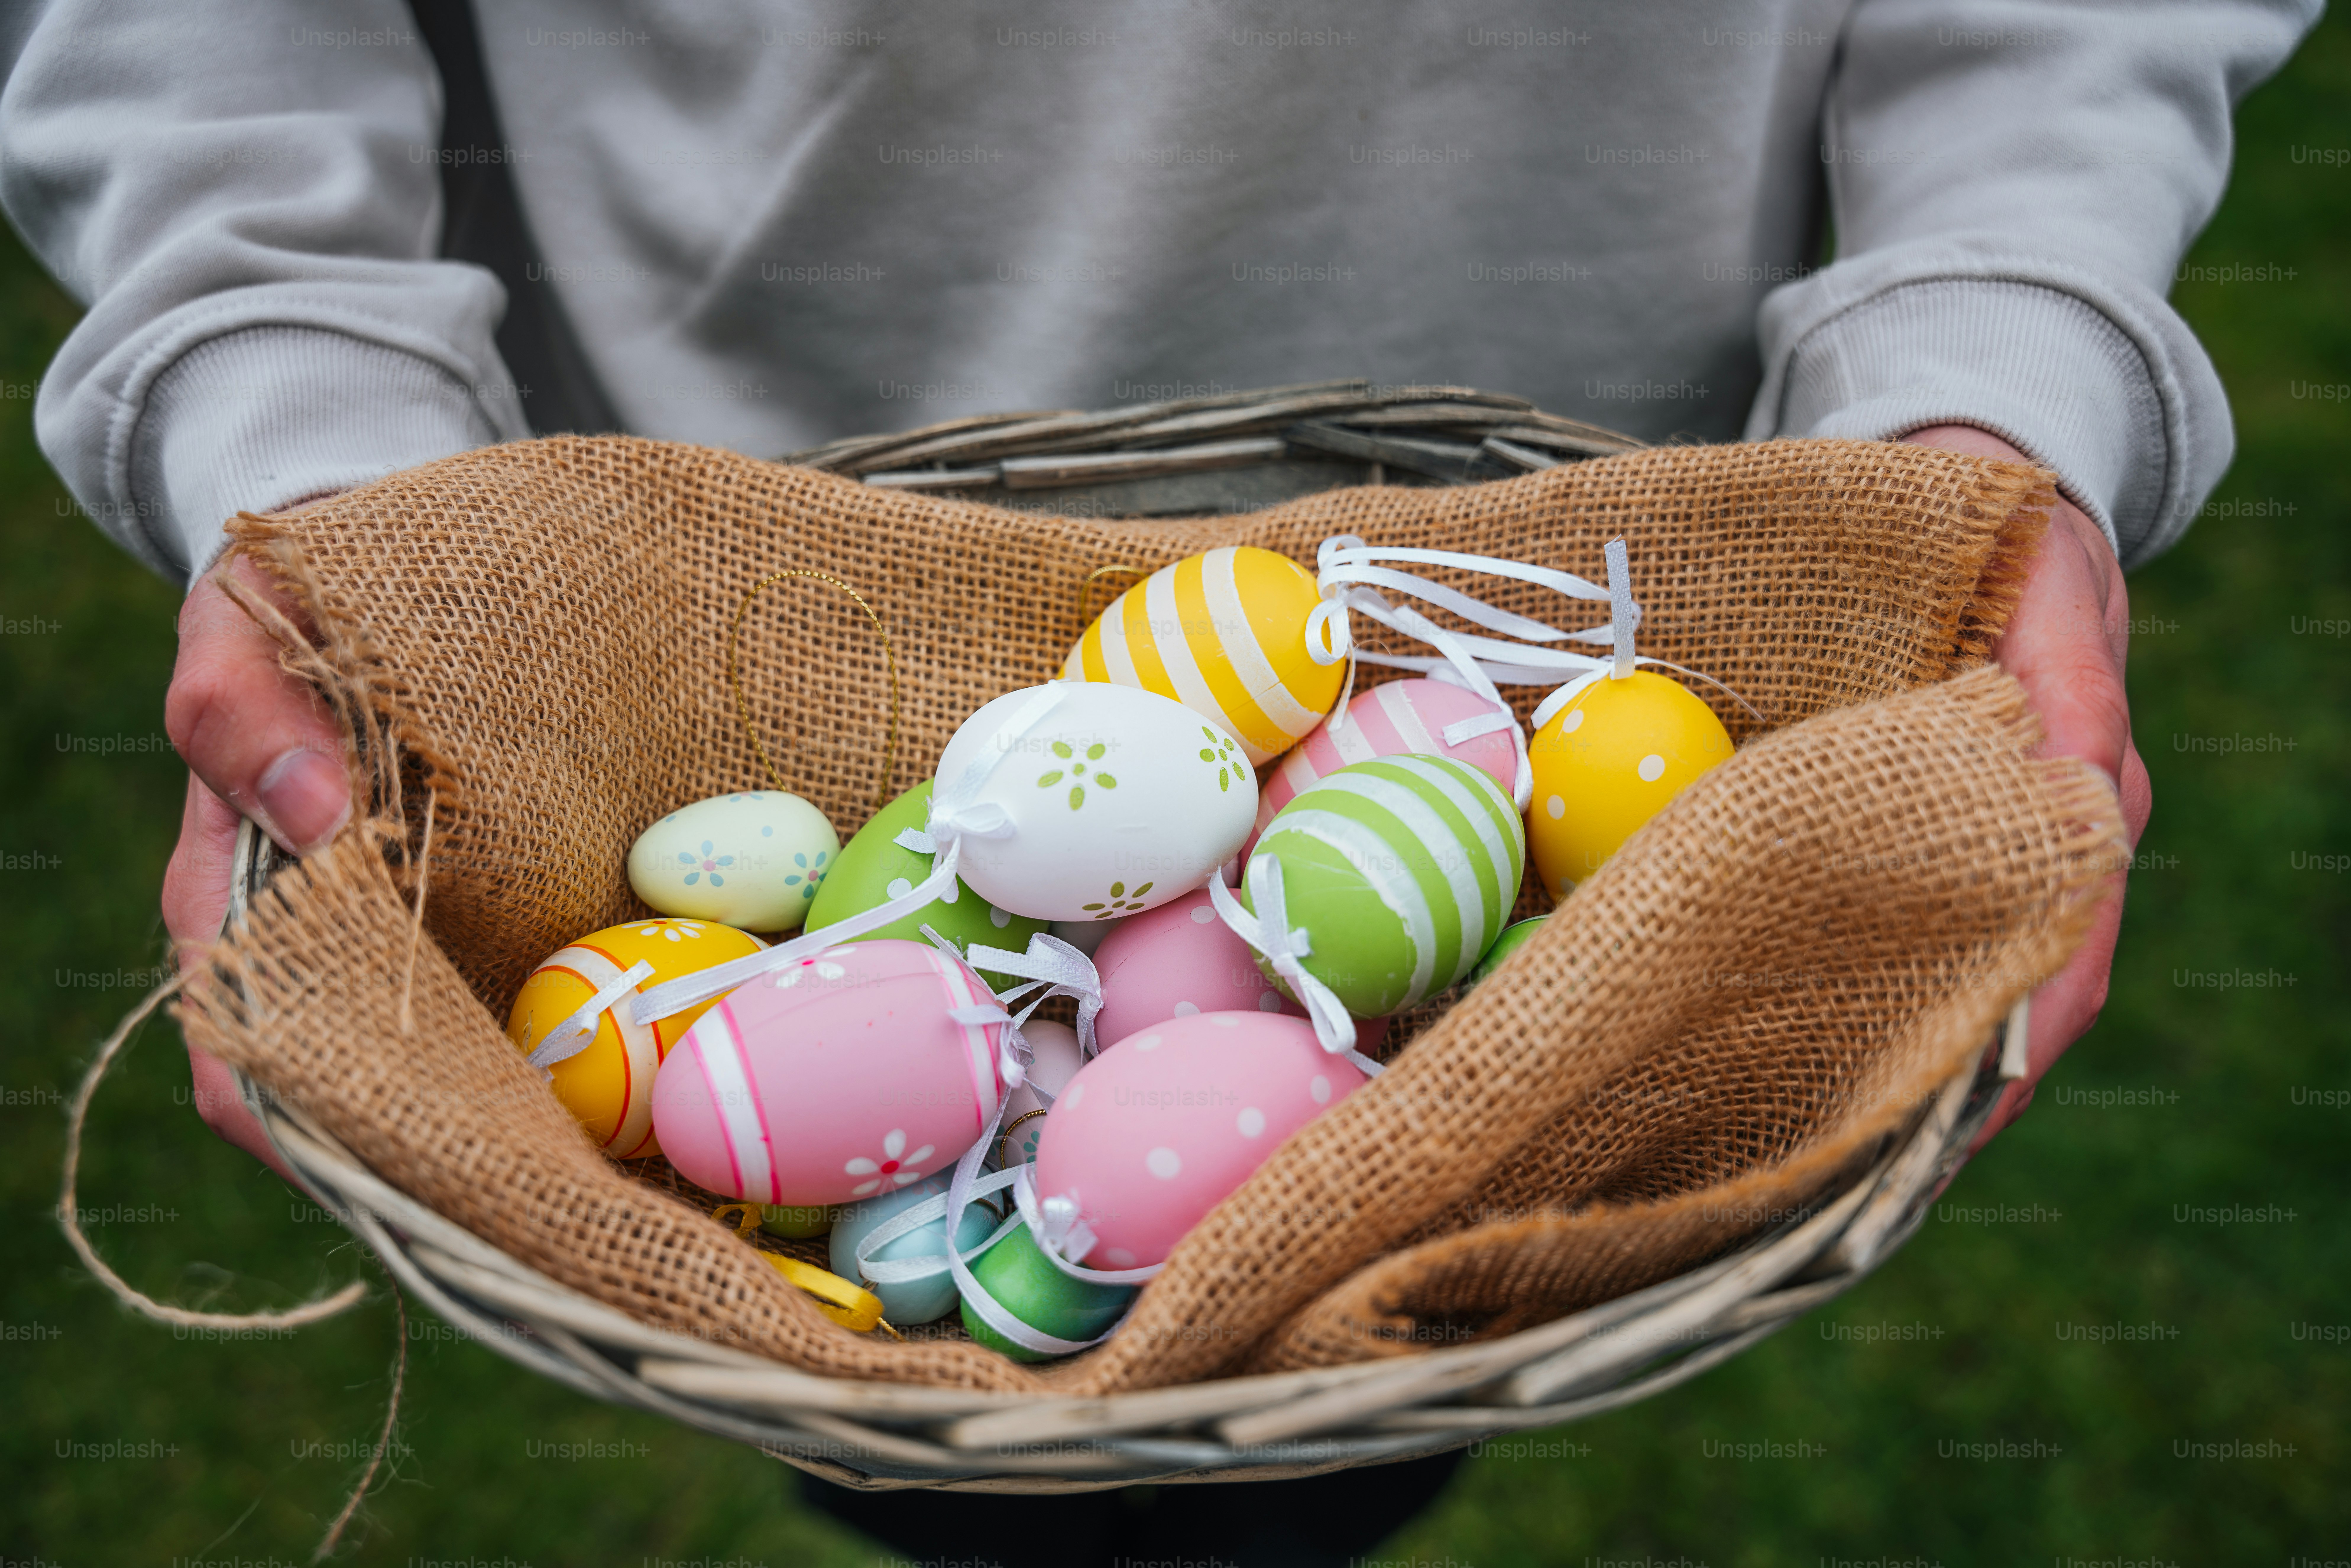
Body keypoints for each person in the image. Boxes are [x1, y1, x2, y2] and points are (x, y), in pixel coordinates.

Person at [0, 2, 2316, 1561]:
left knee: (1286, 1454)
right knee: (1001, 1466)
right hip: (709, 535)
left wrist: (1996, 348)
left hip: (1596, 516)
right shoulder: (985, 910)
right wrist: (301, 419)